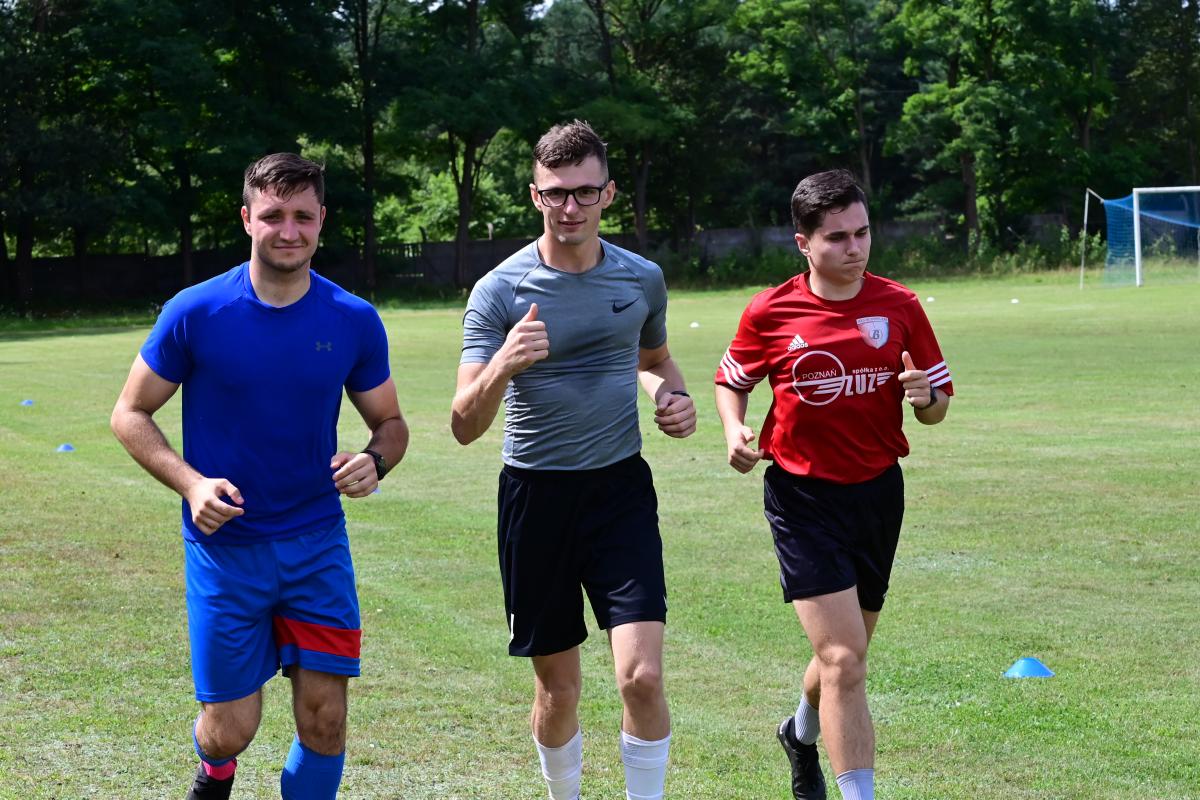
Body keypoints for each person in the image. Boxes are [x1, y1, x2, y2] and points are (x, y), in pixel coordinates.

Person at [110, 153, 409, 800]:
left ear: (322, 220)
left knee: (325, 720)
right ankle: (215, 770)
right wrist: (191, 484)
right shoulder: (196, 311)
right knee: (230, 730)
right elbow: (129, 413)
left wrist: (374, 460)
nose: (289, 231)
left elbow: (390, 424)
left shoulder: (352, 318)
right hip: (226, 550)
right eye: (273, 215)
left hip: (316, 544)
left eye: (303, 216)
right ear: (247, 219)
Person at [450, 120, 696, 800]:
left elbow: (654, 359)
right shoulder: (499, 291)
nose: (570, 207)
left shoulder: (641, 278)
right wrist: (504, 363)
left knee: (642, 677)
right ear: (535, 196)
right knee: (558, 691)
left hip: (620, 492)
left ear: (608, 194)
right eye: (556, 193)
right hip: (536, 498)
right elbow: (464, 424)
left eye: (585, 192)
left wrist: (671, 397)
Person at [713, 169, 952, 800]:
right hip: (802, 497)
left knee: (845, 653)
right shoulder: (770, 310)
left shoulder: (900, 306)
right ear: (804, 242)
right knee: (845, 658)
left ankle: (799, 732)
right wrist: (734, 429)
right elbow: (732, 379)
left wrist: (925, 399)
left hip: (878, 493)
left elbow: (936, 408)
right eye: (838, 237)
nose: (856, 248)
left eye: (863, 233)